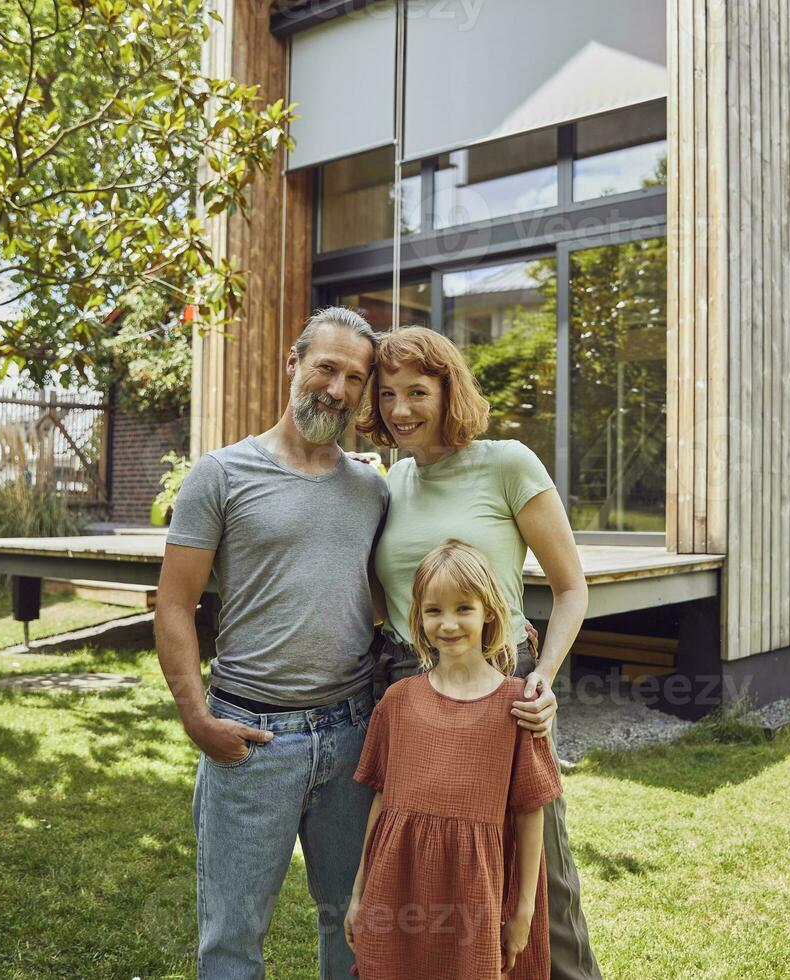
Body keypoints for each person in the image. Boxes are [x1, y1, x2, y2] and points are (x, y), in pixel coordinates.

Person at [356, 325, 602, 979]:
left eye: (417, 391)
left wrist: (543, 677)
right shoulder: (393, 480)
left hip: (502, 686)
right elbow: (390, 595)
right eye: (387, 395)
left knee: (539, 870)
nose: (401, 409)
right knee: (429, 870)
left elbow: (571, 586)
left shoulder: (508, 463)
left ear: (449, 390)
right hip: (407, 683)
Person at [155, 307, 387, 980]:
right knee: (231, 939)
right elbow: (174, 604)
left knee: (356, 922)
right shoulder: (220, 475)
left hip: (352, 734)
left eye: (354, 376)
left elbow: (387, 593)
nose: (337, 390)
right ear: (293, 366)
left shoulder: (372, 487)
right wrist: (196, 716)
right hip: (249, 738)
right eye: (325, 368)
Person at [345, 541, 563, 980]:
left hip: (477, 898)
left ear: (489, 613)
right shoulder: (398, 701)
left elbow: (530, 814)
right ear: (418, 619)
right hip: (399, 890)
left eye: (463, 608)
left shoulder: (517, 704)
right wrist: (357, 895)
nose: (448, 624)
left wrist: (523, 911)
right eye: (433, 611)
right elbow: (381, 804)